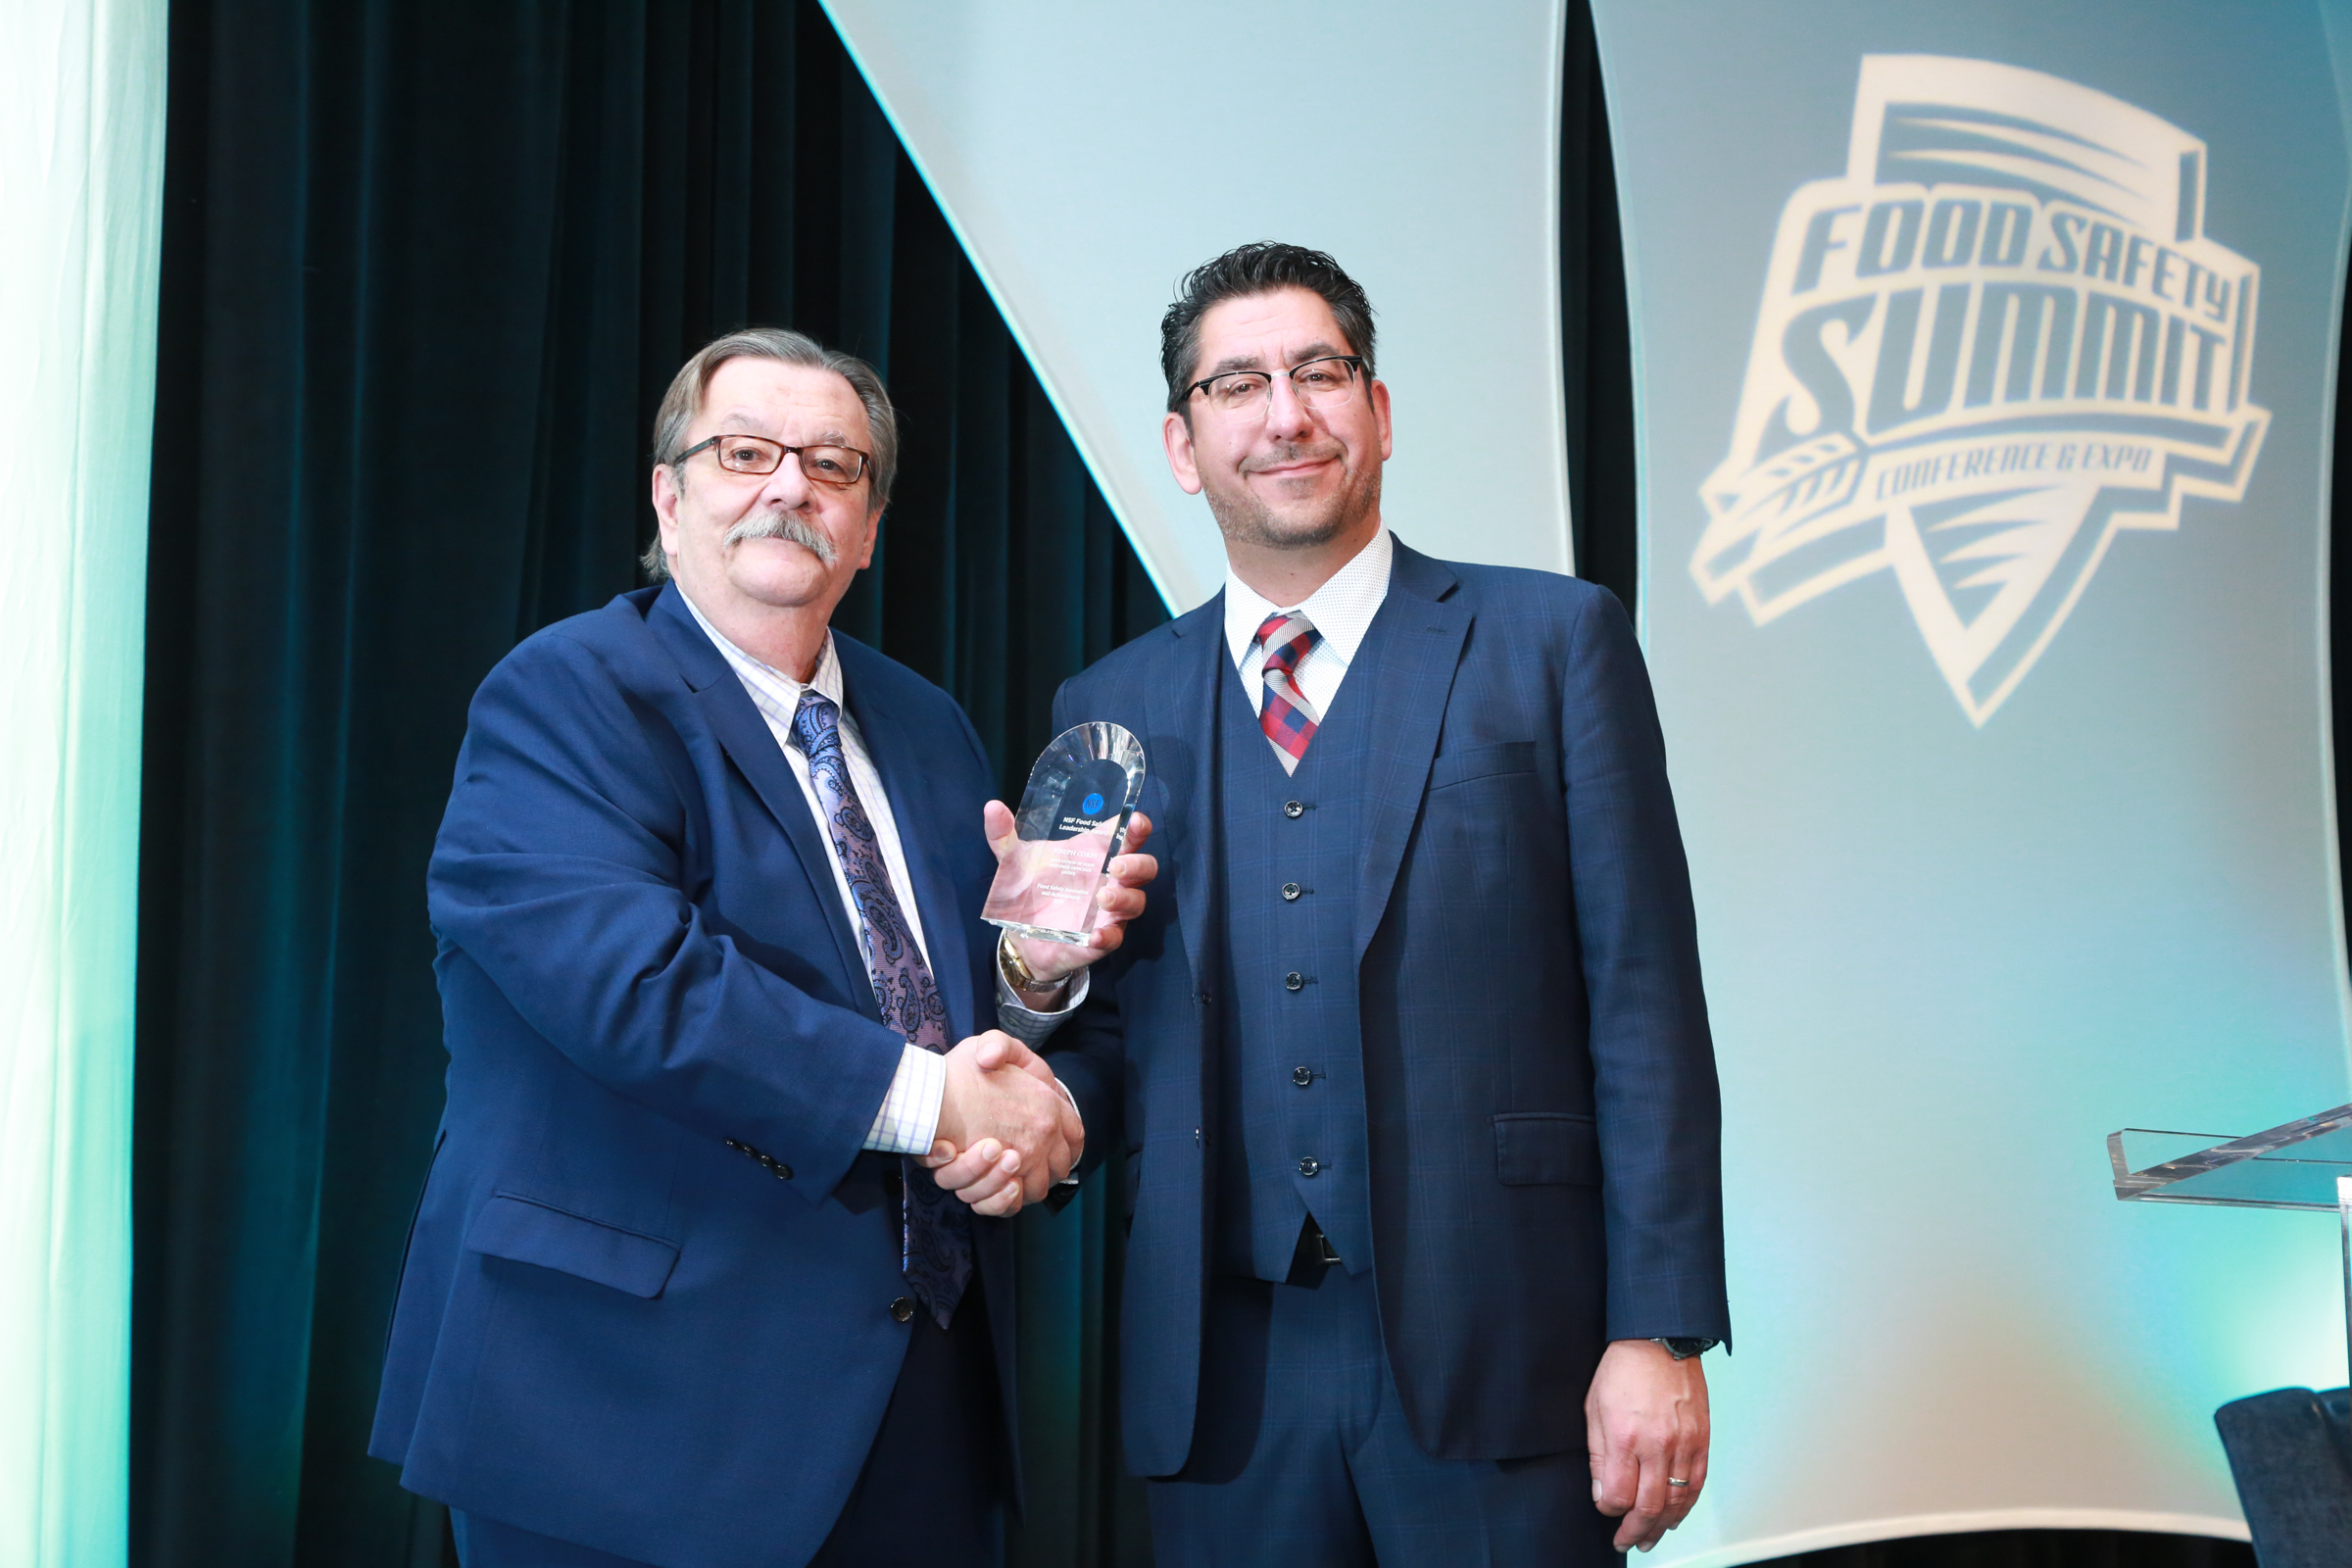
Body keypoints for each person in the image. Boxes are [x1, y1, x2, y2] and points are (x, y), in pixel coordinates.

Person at [942, 243, 1730, 1564]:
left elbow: (1642, 1001)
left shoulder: (1554, 639)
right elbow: (1093, 1032)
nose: (1284, 412)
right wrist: (1029, 985)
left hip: (1509, 1353)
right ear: (1185, 445)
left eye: (1320, 372)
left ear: (1377, 410)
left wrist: (1657, 1331)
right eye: (1238, 383)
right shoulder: (1107, 706)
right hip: (1224, 1375)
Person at [369, 327, 1153, 1568]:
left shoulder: (926, 725)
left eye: (834, 464)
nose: (791, 485)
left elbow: (951, 1010)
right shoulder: (567, 692)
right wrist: (938, 1103)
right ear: (669, 500)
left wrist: (1034, 987)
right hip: (623, 1407)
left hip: (917, 1397)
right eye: (746, 453)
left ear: (871, 526)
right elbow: (635, 985)